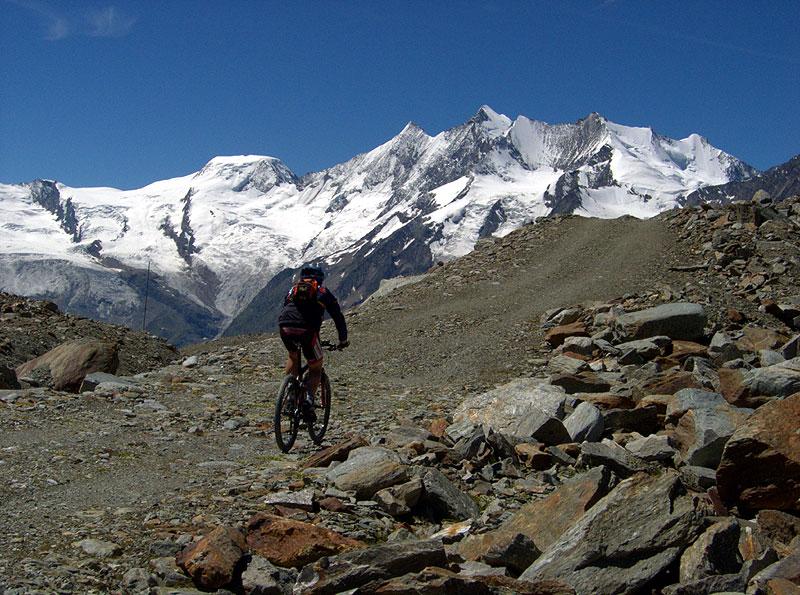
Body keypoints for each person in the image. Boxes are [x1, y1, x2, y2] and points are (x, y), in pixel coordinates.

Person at [278, 266, 348, 423]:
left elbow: (285, 309)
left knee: (293, 356)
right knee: (315, 368)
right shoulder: (322, 292)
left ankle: (289, 395)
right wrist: (343, 340)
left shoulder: (292, 290)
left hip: (285, 327)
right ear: (320, 279)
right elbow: (338, 317)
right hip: (307, 331)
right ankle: (308, 402)